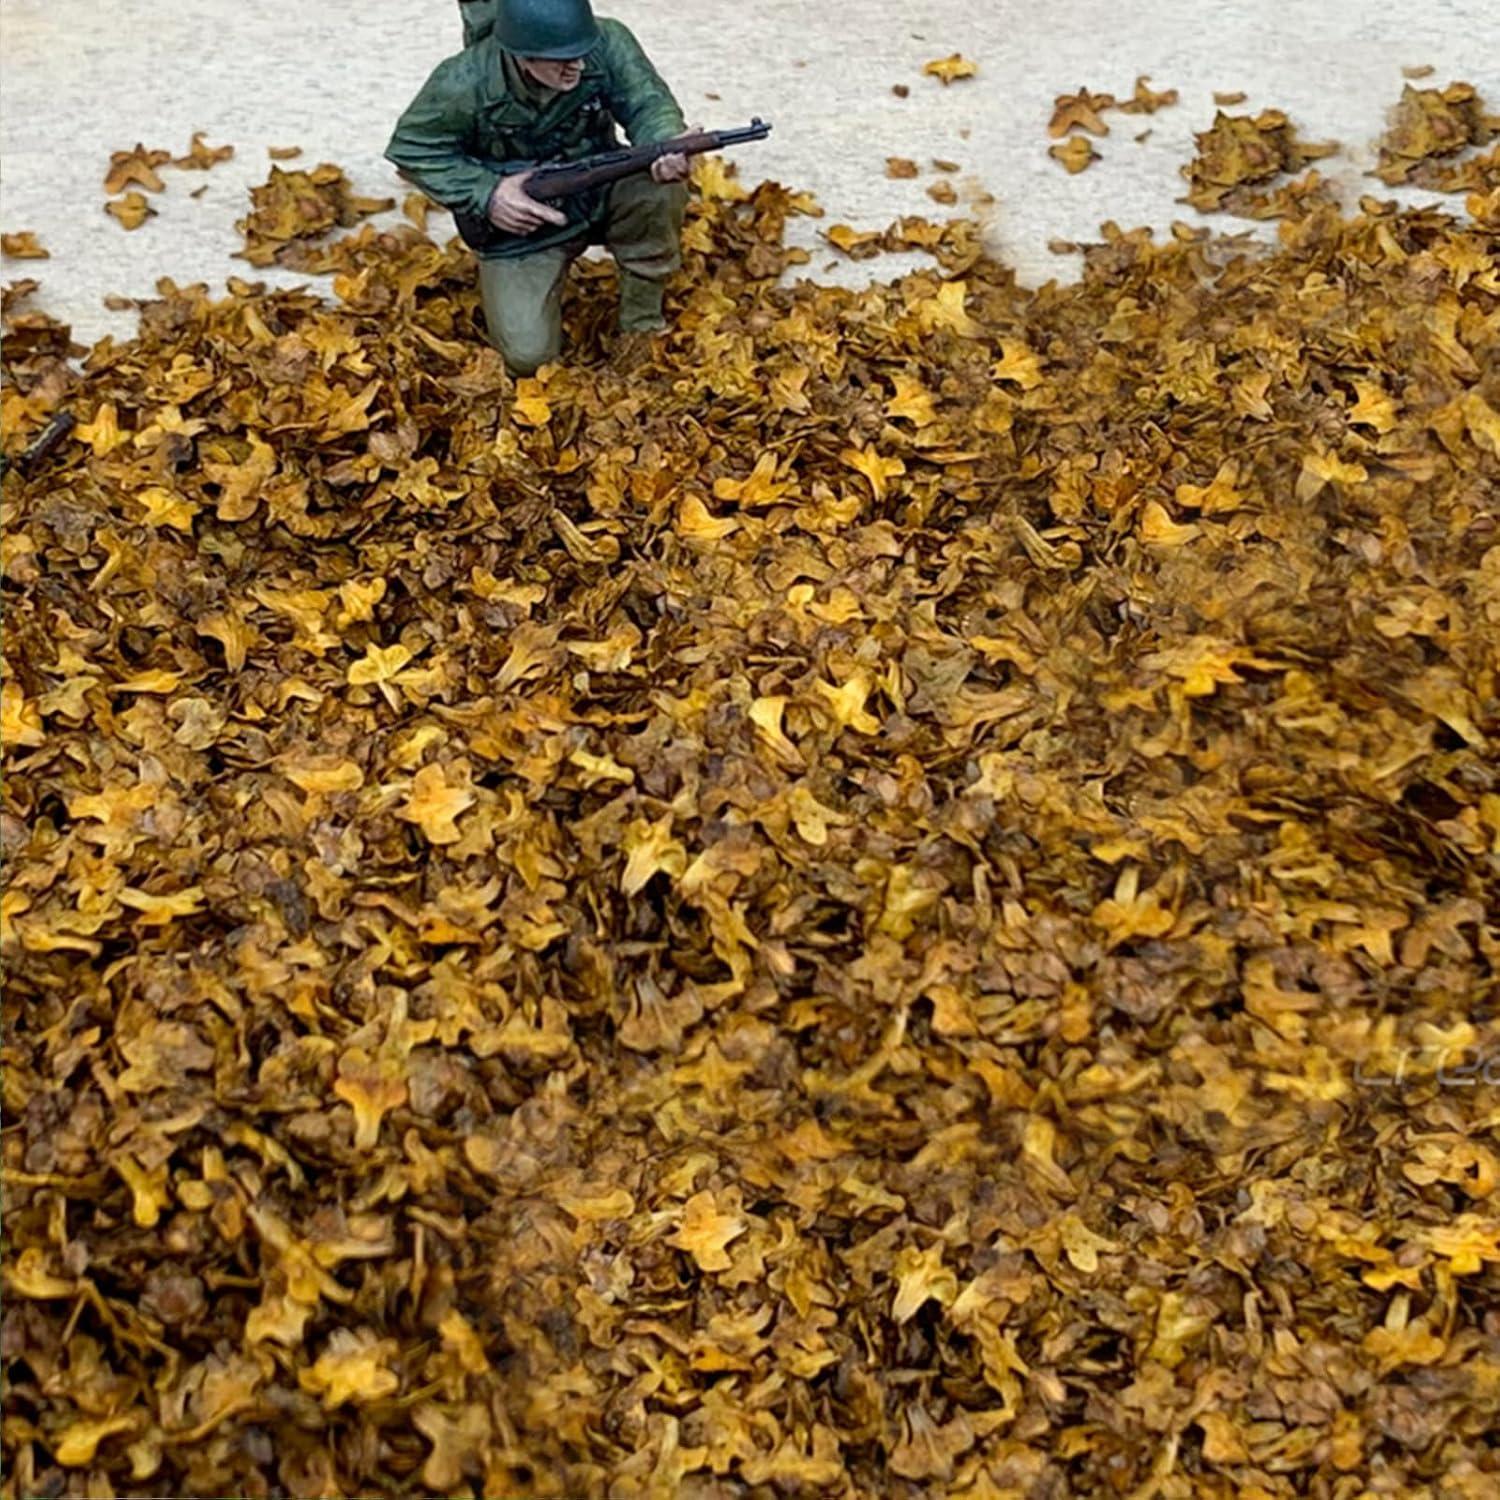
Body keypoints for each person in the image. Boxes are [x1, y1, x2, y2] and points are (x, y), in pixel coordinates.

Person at [387, 0, 691, 375]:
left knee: (659, 186)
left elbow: (649, 105)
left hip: (600, 189)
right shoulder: (463, 81)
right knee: (528, 357)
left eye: (580, 53)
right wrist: (489, 193)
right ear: (522, 56)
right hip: (524, 227)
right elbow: (412, 148)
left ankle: (641, 324)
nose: (578, 66)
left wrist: (664, 142)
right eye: (561, 59)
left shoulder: (606, 41)